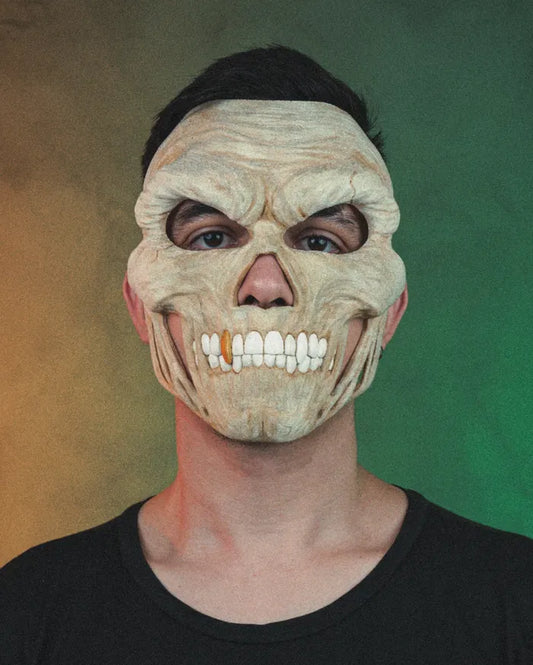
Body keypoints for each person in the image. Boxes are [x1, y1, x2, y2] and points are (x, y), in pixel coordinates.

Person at [2, 46, 532, 664]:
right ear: (140, 305)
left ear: (388, 312)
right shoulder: (27, 612)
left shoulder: (515, 603)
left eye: (320, 241)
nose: (264, 284)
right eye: (212, 237)